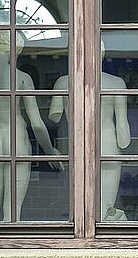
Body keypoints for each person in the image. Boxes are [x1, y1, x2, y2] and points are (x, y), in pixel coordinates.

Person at [0, 30, 62, 221]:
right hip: (18, 145)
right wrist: (50, 151)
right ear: (15, 49)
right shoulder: (22, 78)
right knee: (12, 212)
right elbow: (37, 123)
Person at [49, 40, 131, 220]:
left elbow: (54, 116)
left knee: (80, 206)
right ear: (102, 55)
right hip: (108, 145)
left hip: (78, 147)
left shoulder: (63, 82)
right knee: (106, 207)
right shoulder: (117, 83)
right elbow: (123, 135)